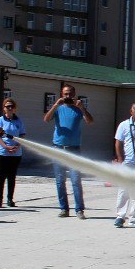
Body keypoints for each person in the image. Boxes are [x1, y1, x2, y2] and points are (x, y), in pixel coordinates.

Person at [43, 84, 93, 219]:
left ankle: (79, 210)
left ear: (74, 94)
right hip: (58, 148)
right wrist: (55, 105)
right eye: (65, 94)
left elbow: (90, 121)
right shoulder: (58, 108)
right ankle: (64, 209)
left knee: (76, 180)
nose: (68, 96)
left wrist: (82, 108)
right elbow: (46, 119)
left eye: (70, 94)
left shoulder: (78, 109)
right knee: (60, 180)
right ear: (61, 94)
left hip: (74, 149)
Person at [0, 97, 26, 208]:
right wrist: (5, 146)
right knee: (1, 176)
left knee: (12, 176)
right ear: (4, 108)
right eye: (8, 107)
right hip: (1, 153)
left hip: (15, 154)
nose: (10, 108)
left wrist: (17, 146)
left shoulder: (19, 121)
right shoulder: (0, 120)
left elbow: (22, 135)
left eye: (12, 106)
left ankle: (10, 199)